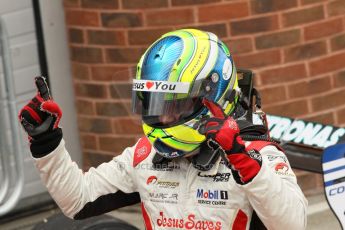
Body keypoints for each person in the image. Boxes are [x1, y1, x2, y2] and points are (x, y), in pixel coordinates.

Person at [18, 29, 307, 230]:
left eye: (174, 105)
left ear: (212, 97)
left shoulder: (256, 156)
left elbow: (294, 225)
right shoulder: (144, 155)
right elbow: (78, 201)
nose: (164, 118)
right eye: (155, 104)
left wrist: (243, 163)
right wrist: (46, 144)